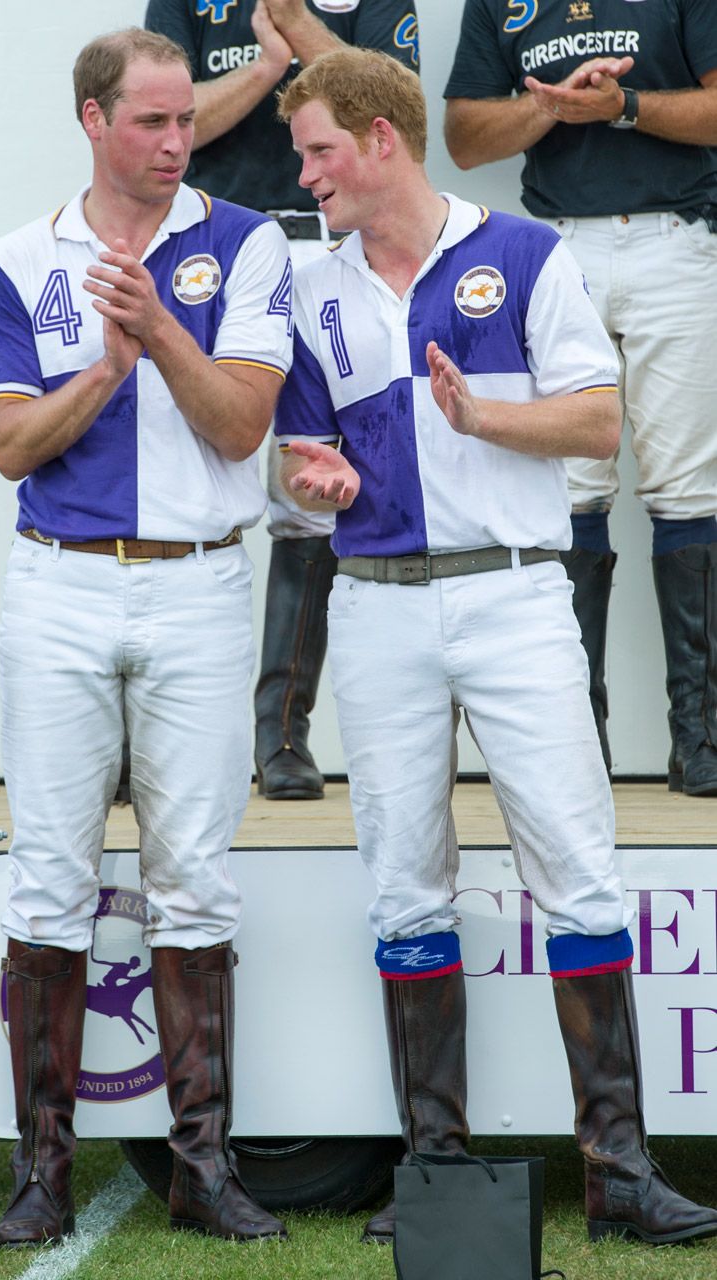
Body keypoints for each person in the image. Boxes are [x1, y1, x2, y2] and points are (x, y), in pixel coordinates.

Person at [273, 46, 717, 1248]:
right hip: (372, 599)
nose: (303, 171)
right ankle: (433, 1169)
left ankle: (617, 1169)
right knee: (401, 881)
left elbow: (594, 416)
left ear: (378, 141)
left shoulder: (525, 253)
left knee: (575, 869)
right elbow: (293, 460)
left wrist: (481, 416)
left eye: (317, 149)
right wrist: (305, 472)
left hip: (515, 597)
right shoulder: (311, 292)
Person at [0, 27, 292, 1247]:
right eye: (152, 121)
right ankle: (40, 1168)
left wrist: (157, 332)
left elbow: (239, 428)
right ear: (93, 123)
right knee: (50, 873)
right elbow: (7, 447)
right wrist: (106, 369)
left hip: (201, 586)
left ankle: (200, 1163)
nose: (177, 141)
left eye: (186, 121)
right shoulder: (17, 259)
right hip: (59, 584)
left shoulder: (245, 240)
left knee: (194, 874)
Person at [145, 0, 420, 799]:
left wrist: (295, 20)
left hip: (333, 241)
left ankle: (282, 737)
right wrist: (268, 70)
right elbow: (175, 126)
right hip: (217, 244)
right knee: (189, 479)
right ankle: (162, 735)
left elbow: (385, 105)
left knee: (311, 490)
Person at [443, 1, 717, 795]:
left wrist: (623, 107)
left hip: (679, 236)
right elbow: (462, 140)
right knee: (571, 490)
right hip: (559, 243)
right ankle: (575, 737)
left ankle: (699, 742)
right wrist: (550, 105)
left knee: (690, 489)